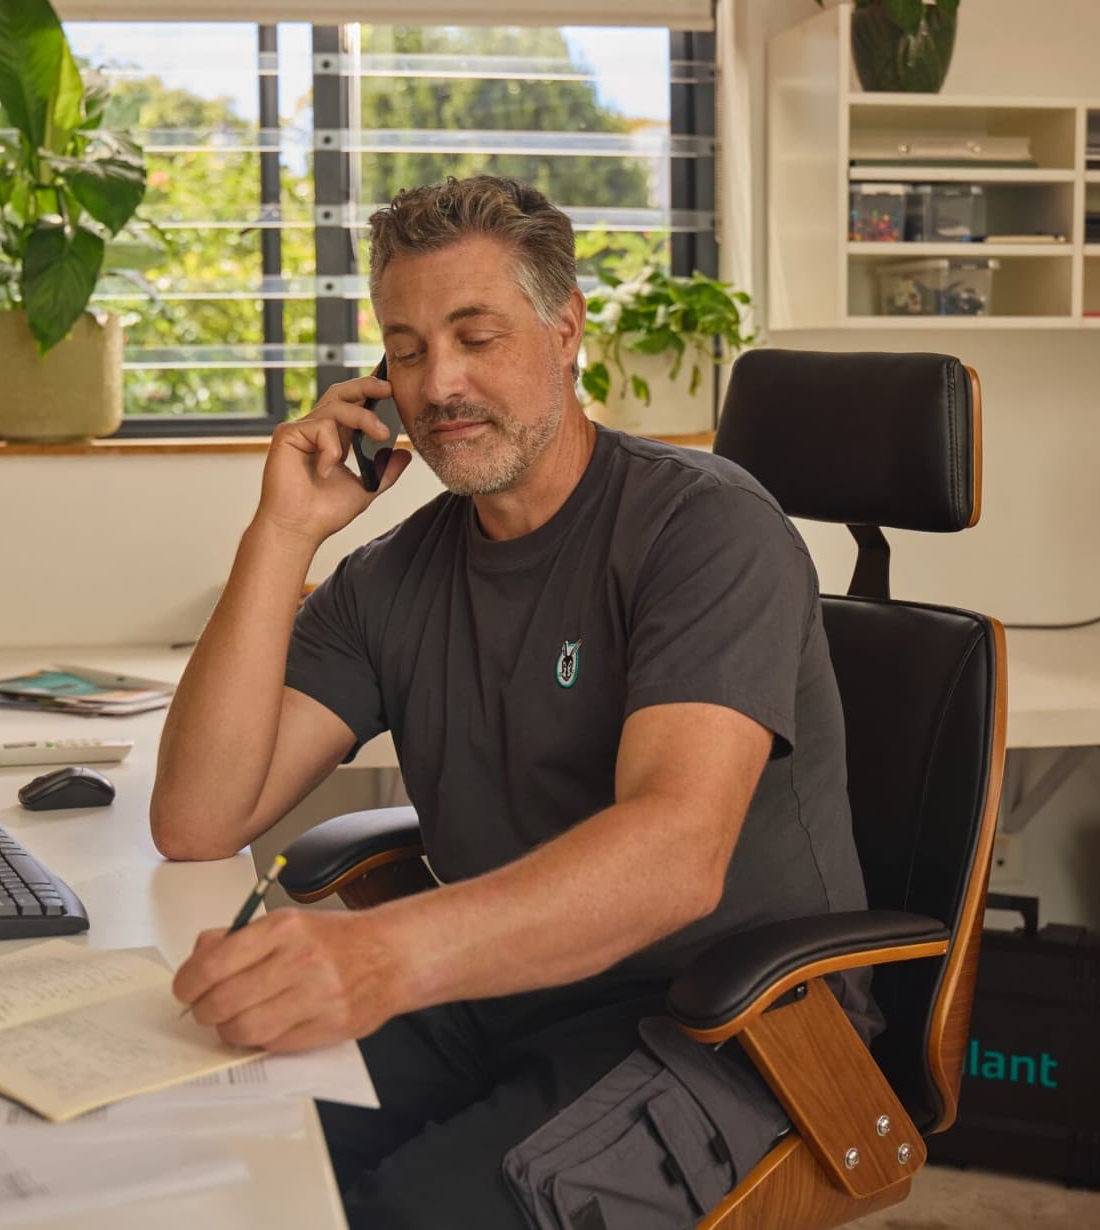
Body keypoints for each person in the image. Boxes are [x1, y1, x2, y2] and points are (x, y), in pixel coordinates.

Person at [151, 175, 875, 1229]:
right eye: (405, 348)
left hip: (725, 1027)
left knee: (399, 1212)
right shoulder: (390, 578)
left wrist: (378, 954)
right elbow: (198, 819)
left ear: (566, 328)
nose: (437, 383)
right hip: (497, 983)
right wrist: (283, 535)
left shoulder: (706, 530)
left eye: (475, 336)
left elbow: (674, 856)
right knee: (223, 1157)